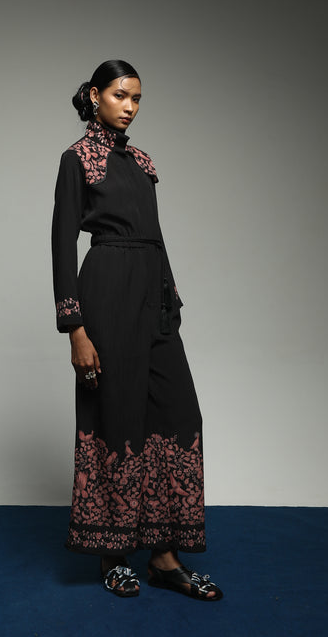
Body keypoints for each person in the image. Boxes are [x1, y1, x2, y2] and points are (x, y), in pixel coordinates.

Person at [51, 60, 223, 601]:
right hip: (107, 292)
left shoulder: (143, 162)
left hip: (153, 296)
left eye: (138, 98)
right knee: (117, 416)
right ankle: (113, 554)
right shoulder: (78, 159)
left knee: (179, 415)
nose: (130, 106)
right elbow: (61, 243)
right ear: (95, 96)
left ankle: (164, 558)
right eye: (121, 95)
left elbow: (156, 235)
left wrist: (171, 297)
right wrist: (75, 327)